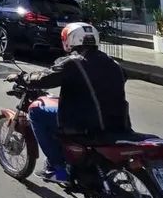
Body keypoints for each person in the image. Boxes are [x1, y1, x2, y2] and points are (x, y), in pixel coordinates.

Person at [19, 22, 131, 182]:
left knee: (36, 111)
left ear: (69, 40)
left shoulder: (72, 62)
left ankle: (58, 169)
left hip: (86, 125)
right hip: (119, 123)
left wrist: (22, 78)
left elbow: (44, 78)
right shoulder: (114, 64)